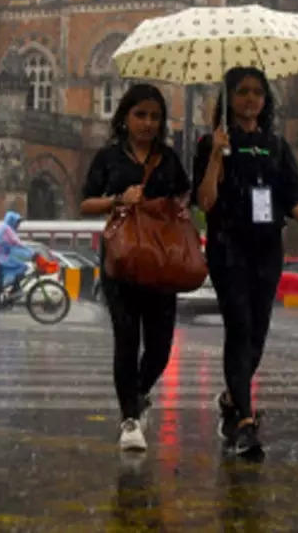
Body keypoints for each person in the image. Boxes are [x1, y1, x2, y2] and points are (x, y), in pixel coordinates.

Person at [194, 66, 298, 459]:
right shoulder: (210, 143)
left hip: (267, 247)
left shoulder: (276, 146)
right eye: (242, 92)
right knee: (239, 326)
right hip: (227, 245)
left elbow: (294, 194)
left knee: (258, 333)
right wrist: (217, 154)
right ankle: (245, 423)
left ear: (265, 100)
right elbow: (205, 201)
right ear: (229, 98)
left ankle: (232, 400)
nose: (250, 99)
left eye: (257, 92)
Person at [80, 84, 192, 453]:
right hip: (122, 261)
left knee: (160, 346)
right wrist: (118, 199)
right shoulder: (109, 158)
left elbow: (183, 198)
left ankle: (139, 393)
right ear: (125, 117)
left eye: (155, 116)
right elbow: (85, 204)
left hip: (161, 262)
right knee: (127, 339)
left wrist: (175, 207)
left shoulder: (169, 159)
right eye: (140, 115)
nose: (147, 123)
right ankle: (129, 418)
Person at [0, 210, 34, 322]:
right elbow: (17, 243)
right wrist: (31, 252)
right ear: (12, 221)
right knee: (0, 285)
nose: (18, 225)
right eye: (17, 222)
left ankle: (13, 290)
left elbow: (13, 246)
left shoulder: (5, 228)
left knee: (20, 268)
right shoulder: (7, 229)